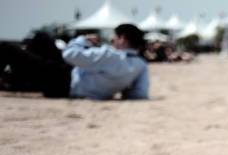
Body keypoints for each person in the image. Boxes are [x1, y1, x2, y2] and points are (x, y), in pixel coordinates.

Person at [0, 24, 149, 100]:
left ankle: (14, 77)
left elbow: (69, 54)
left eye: (114, 38)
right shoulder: (141, 65)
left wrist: (82, 40)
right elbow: (140, 94)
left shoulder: (110, 54)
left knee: (7, 48)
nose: (112, 41)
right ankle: (14, 78)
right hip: (68, 82)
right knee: (42, 39)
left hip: (63, 80)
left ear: (122, 39)